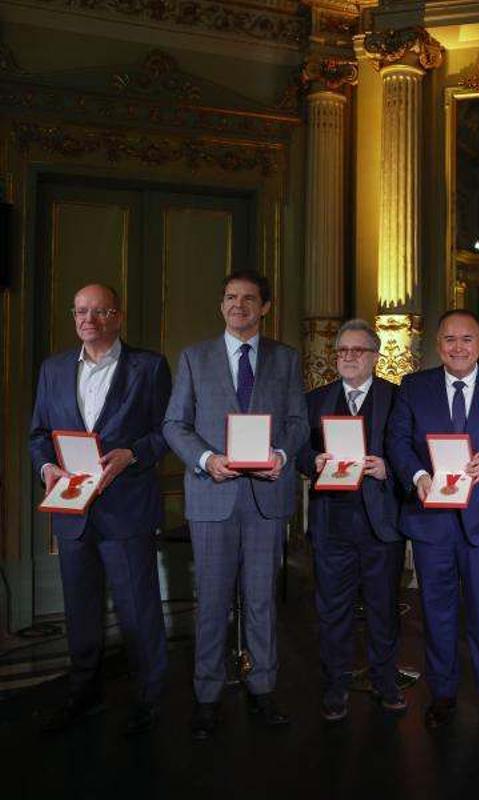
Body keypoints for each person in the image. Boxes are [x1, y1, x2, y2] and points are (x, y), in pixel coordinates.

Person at [163, 270, 307, 740]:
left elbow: (296, 422)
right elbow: (174, 425)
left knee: (262, 599)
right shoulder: (194, 358)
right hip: (213, 494)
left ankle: (262, 688)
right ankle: (207, 696)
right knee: (213, 602)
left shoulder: (285, 359)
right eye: (229, 297)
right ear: (221, 304)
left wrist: (281, 456)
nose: (237, 305)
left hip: (266, 497)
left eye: (248, 299)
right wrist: (207, 459)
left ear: (266, 306)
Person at [29, 283, 172, 735]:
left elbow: (168, 431)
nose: (88, 319)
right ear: (74, 317)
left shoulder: (148, 367)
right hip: (72, 511)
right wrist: (47, 466)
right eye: (80, 312)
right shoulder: (53, 370)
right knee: (81, 610)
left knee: (138, 611)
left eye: (99, 311)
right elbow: (38, 435)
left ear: (118, 316)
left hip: (126, 508)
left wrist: (132, 453)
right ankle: (85, 695)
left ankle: (150, 699)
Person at [386, 309, 479, 729]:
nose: (458, 347)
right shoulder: (413, 387)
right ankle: (442, 693)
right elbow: (397, 440)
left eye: (467, 339)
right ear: (438, 345)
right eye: (449, 339)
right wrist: (418, 475)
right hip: (432, 520)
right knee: (437, 610)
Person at [297, 319, 405, 721]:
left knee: (383, 609)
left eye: (356, 351)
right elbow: (297, 451)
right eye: (342, 351)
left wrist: (387, 468)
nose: (347, 358)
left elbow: (411, 450)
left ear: (375, 357)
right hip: (331, 522)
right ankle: (336, 686)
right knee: (333, 610)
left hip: (381, 523)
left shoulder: (397, 398)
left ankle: (385, 681)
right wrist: (314, 461)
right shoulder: (315, 400)